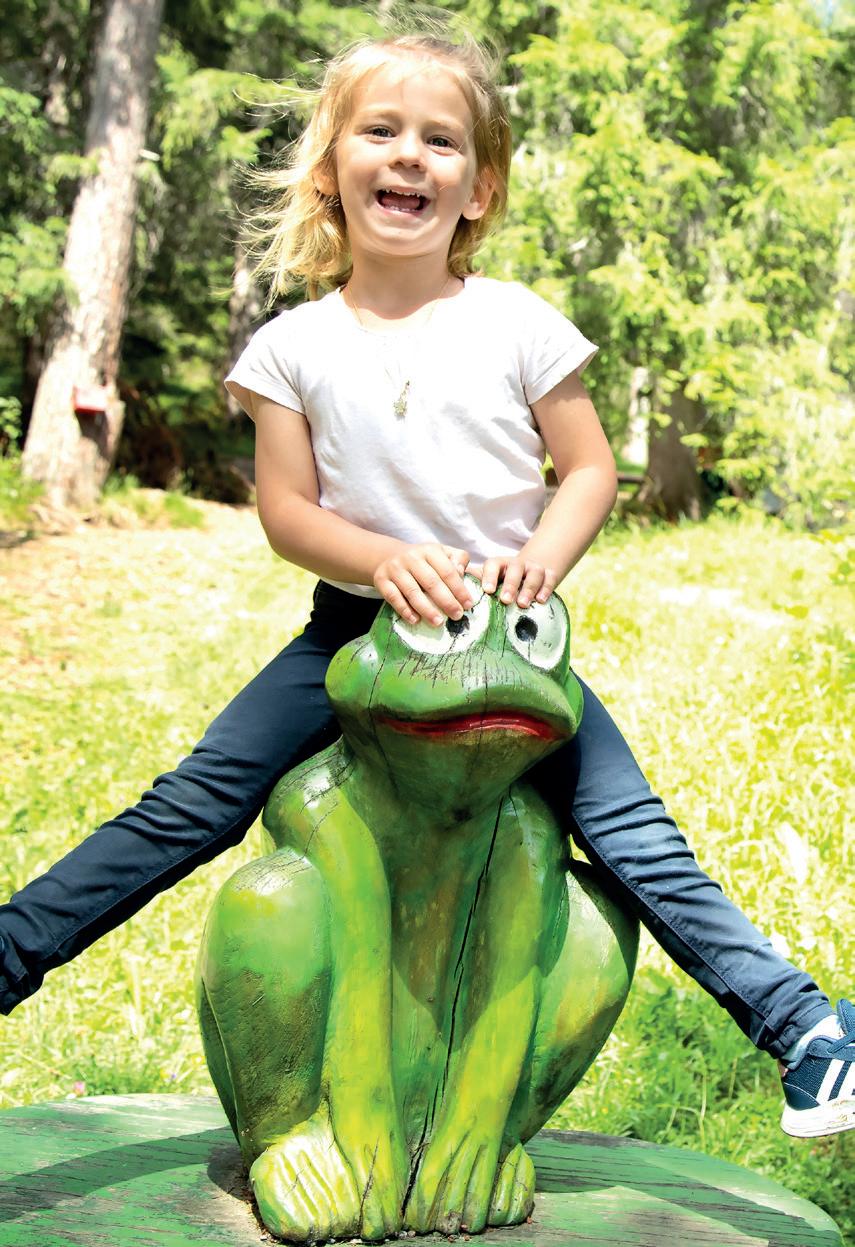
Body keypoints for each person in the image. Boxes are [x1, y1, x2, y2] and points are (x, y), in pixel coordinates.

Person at [1, 29, 851, 1141]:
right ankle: (10, 952)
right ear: (331, 169)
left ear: (478, 188)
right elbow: (287, 511)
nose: (409, 155)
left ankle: (804, 1028)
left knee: (635, 835)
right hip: (354, 631)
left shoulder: (517, 322)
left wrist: (543, 556)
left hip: (508, 637)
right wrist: (377, 560)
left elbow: (589, 469)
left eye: (440, 141)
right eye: (381, 131)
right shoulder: (292, 347)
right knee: (192, 803)